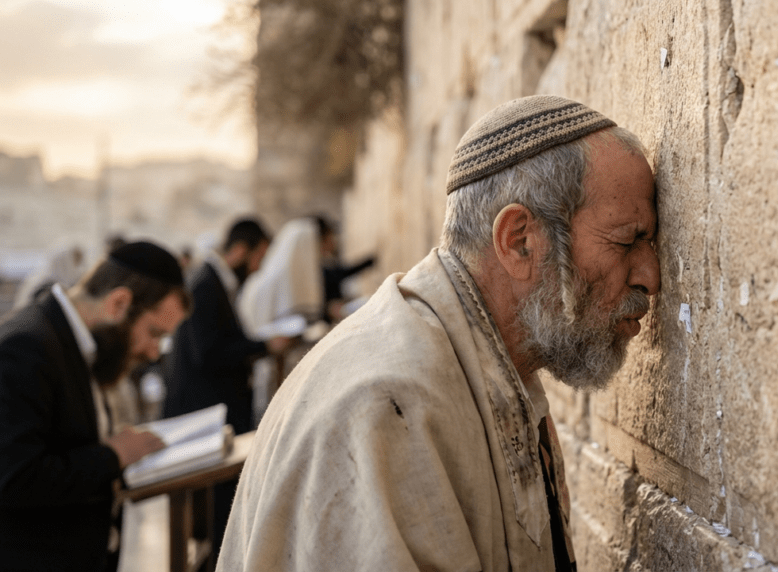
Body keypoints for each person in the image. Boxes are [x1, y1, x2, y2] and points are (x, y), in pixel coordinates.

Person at [218, 95, 661, 571]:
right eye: (626, 240)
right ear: (520, 241)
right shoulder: (385, 407)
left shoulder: (488, 363)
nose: (650, 276)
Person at [0, 241, 191, 571]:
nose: (154, 352)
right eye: (154, 333)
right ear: (118, 303)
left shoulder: (76, 342)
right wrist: (115, 455)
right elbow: (16, 477)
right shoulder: (26, 346)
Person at [161, 217, 291, 563]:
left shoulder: (216, 281)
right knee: (216, 514)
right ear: (240, 251)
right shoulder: (206, 284)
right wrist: (263, 346)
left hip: (214, 410)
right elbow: (209, 353)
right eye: (259, 256)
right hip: (205, 414)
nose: (260, 267)